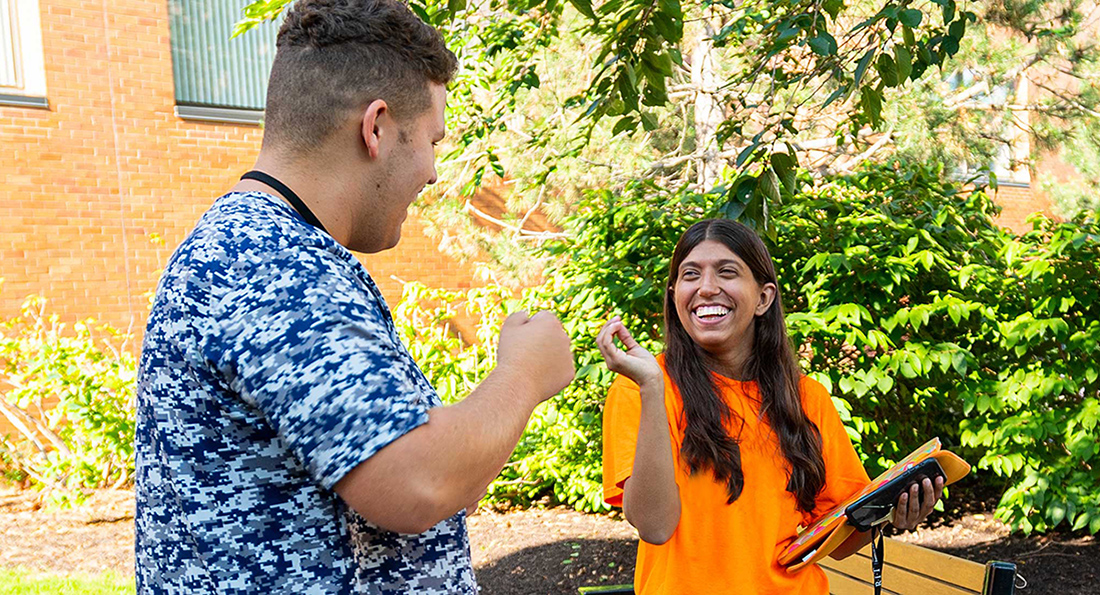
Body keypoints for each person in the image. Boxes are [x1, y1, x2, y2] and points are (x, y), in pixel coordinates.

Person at [134, 1, 575, 593]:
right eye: (432, 140)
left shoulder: (261, 250)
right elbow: (417, 483)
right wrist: (524, 374)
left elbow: (399, 474)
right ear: (376, 128)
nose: (433, 172)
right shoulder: (272, 265)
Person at [596, 219, 945, 594]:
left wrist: (891, 511)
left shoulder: (806, 398)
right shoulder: (641, 388)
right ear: (674, 295)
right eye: (690, 274)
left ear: (763, 298)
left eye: (727, 272)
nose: (706, 287)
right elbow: (654, 526)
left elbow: (841, 540)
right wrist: (651, 388)